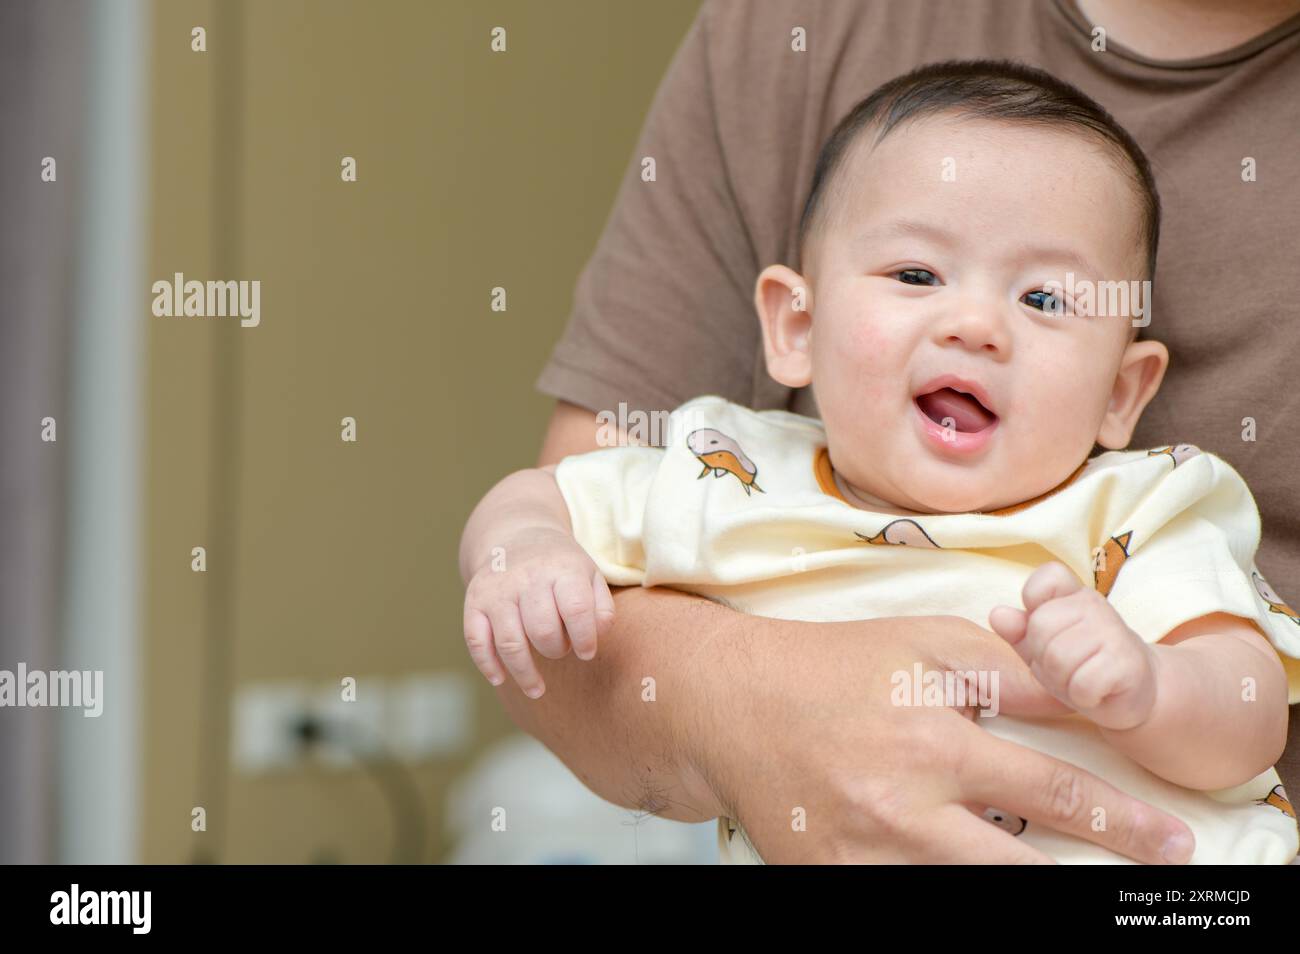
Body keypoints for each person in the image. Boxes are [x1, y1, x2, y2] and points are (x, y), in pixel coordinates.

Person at [461, 0, 1300, 863]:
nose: (975, 324)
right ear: (795, 326)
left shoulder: (1133, 512)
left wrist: (1151, 687)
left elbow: (1249, 709)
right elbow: (548, 496)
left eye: (1043, 299)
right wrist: (524, 548)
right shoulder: (733, 473)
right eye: (916, 273)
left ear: (1123, 394)